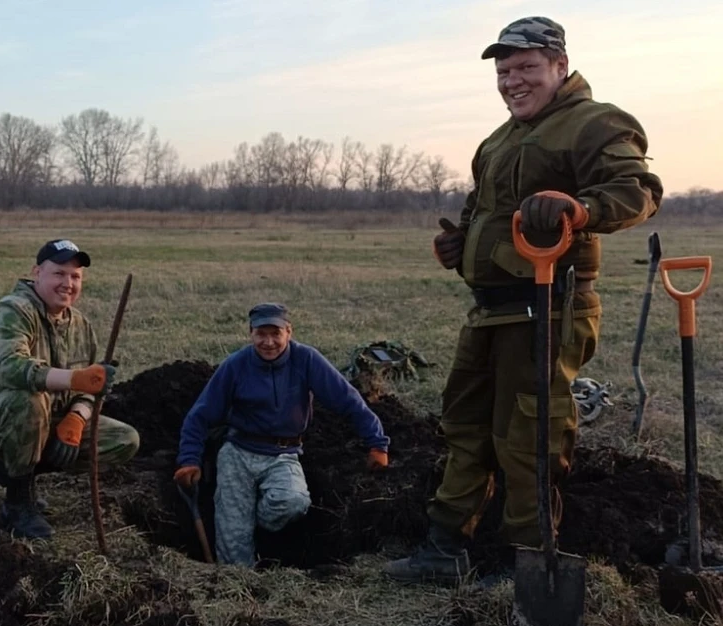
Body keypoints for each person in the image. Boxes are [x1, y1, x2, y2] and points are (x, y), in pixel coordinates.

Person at [384, 16, 663, 583]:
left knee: (529, 435)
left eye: (526, 68)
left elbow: (637, 192)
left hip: (549, 306)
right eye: (504, 71)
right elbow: (477, 211)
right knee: (464, 426)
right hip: (490, 309)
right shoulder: (498, 140)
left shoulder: (594, 122)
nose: (513, 82)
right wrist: (461, 246)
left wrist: (579, 209)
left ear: (560, 66)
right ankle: (443, 549)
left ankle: (527, 564)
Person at [0, 239, 140, 539]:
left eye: (75, 277)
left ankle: (18, 470)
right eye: (59, 274)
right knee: (28, 400)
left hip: (45, 421)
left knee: (125, 439)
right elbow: (11, 369)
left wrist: (77, 418)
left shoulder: (81, 326)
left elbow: (89, 387)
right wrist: (75, 379)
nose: (68, 284)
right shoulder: (13, 310)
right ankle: (18, 504)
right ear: (37, 273)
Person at [174, 302, 391, 567]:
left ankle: (257, 525)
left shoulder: (307, 360)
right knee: (233, 538)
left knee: (293, 502)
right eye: (261, 334)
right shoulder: (235, 365)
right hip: (238, 452)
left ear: (289, 332)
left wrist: (377, 444)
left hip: (283, 453)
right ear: (250, 333)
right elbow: (200, 415)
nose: (268, 342)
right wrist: (189, 460)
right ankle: (238, 586)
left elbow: (348, 400)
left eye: (275, 333)